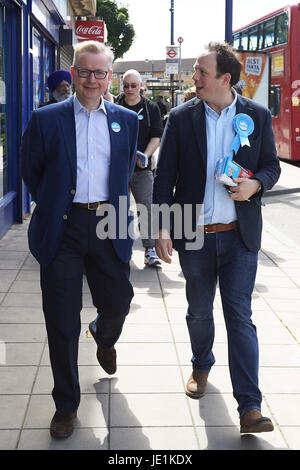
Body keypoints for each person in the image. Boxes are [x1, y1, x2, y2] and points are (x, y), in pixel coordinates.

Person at [153, 42, 281, 434]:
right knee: (199, 310)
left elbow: (271, 167)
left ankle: (250, 407)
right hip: (194, 235)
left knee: (240, 316)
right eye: (195, 70)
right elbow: (164, 177)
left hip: (240, 236)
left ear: (225, 79)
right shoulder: (180, 117)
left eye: (201, 71)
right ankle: (200, 365)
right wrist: (160, 227)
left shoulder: (257, 116)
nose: (195, 77)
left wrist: (255, 185)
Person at [21, 40, 139, 439]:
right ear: (74, 74)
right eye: (85, 72)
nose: (92, 79)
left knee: (119, 303)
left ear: (111, 77)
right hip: (64, 229)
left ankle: (104, 336)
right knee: (61, 321)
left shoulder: (127, 119)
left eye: (100, 72)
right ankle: (66, 405)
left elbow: (123, 175)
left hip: (109, 224)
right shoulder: (46, 118)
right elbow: (32, 171)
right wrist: (55, 204)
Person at [115, 69, 163, 267]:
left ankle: (150, 249)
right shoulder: (115, 106)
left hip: (142, 170)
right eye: (126, 85)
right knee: (119, 208)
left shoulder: (151, 108)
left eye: (133, 85)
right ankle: (120, 249)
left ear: (141, 86)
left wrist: (146, 154)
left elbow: (156, 136)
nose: (129, 89)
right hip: (119, 168)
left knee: (146, 208)